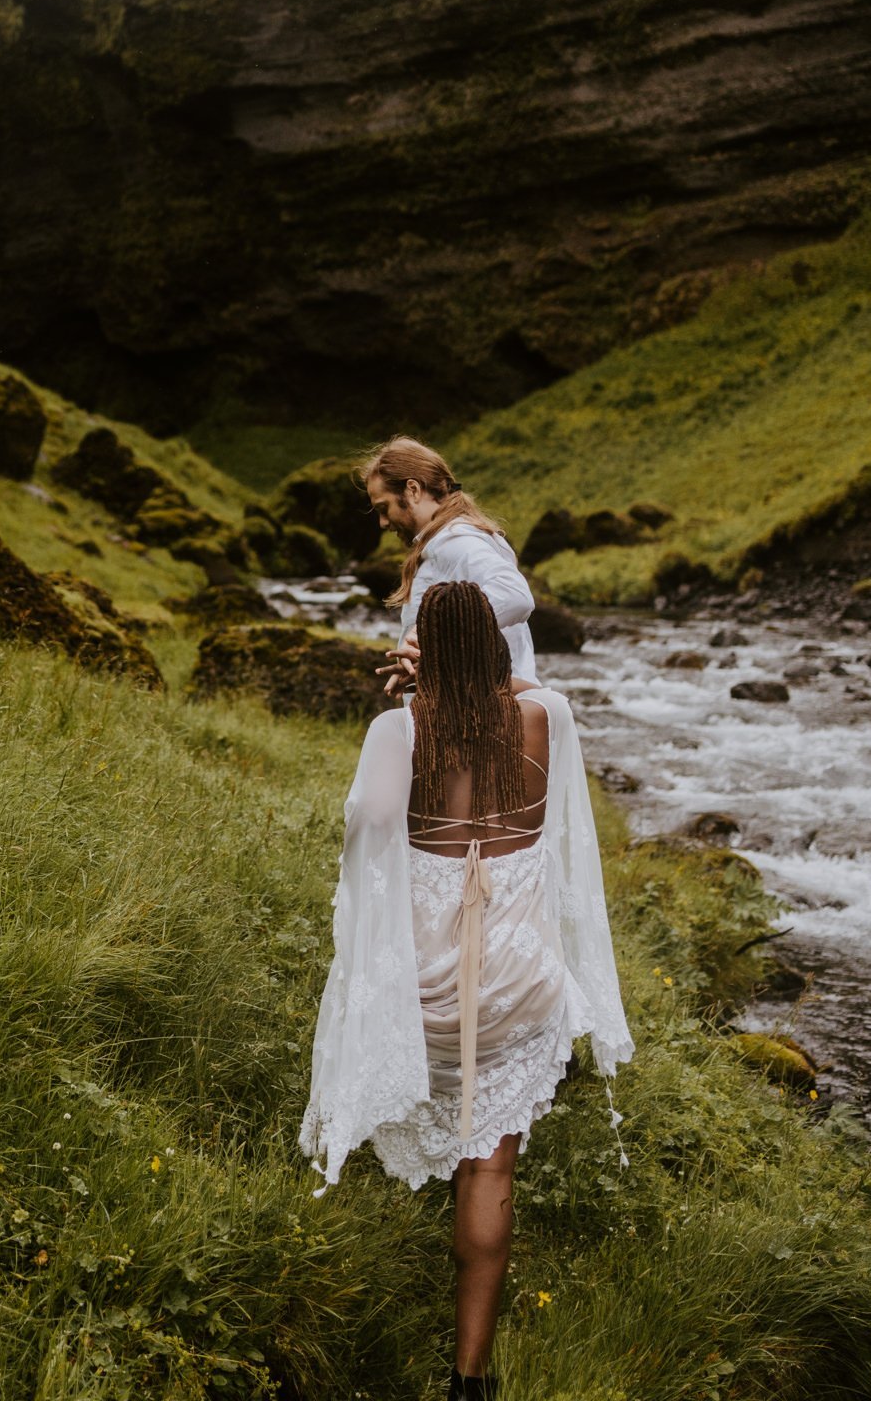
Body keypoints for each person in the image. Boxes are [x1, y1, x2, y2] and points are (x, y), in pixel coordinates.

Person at [299, 581, 632, 1401]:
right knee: (490, 1170)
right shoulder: (544, 718)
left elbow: (366, 827)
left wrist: (419, 701)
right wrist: (467, 680)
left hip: (426, 992)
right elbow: (523, 692)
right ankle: (468, 1380)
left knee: (435, 1106)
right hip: (519, 981)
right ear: (495, 647)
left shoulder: (396, 730)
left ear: (422, 652)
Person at [358, 437, 536, 693]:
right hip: (471, 710)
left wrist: (429, 635)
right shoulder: (444, 541)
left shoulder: (455, 541)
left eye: (384, 508)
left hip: (486, 715)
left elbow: (515, 596)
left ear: (413, 490)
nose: (383, 523)